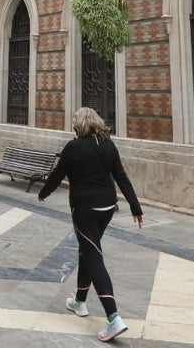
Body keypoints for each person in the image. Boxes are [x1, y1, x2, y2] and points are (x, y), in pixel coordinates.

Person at [37, 107, 143, 343]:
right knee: (87, 250)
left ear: (78, 125)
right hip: (106, 208)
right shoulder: (107, 143)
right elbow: (121, 176)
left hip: (84, 209)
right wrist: (136, 207)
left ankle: (113, 317)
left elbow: (57, 174)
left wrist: (43, 193)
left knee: (93, 255)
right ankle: (80, 302)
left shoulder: (74, 147)